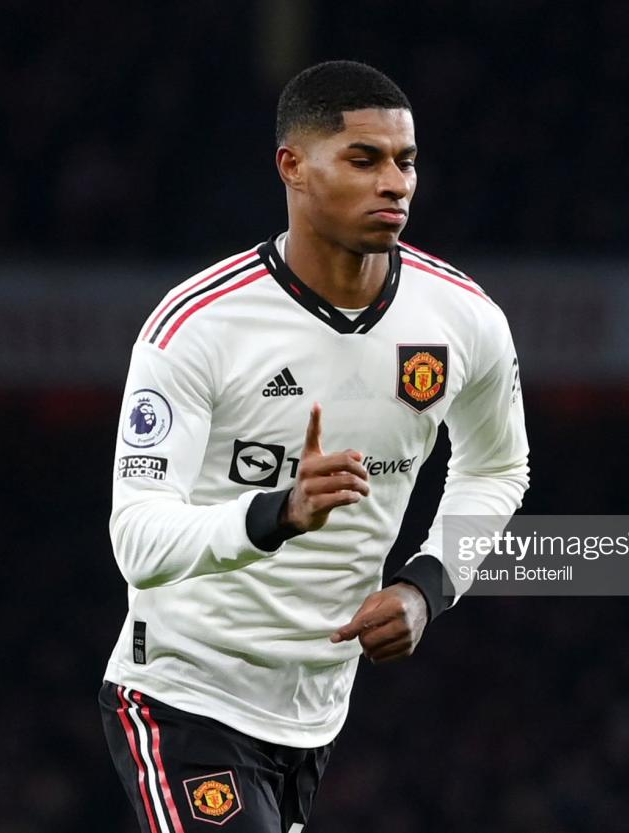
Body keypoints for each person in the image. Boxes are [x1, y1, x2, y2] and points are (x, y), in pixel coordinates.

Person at [99, 60, 529, 833]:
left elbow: (497, 467)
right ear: (291, 167)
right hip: (180, 696)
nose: (394, 183)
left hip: (313, 716)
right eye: (364, 160)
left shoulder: (464, 321)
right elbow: (137, 537)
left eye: (406, 161)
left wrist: (427, 586)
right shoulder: (197, 326)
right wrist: (277, 511)